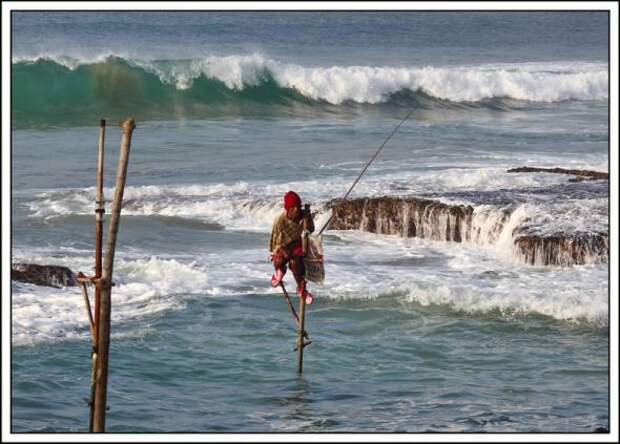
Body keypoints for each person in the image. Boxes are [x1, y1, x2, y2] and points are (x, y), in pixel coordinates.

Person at [269, 191, 315, 304]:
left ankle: (301, 289)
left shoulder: (304, 216)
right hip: (283, 245)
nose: (296, 209)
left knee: (296, 262)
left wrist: (308, 220)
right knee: (279, 259)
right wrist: (284, 252)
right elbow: (276, 244)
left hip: (299, 245)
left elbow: (311, 230)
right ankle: (279, 271)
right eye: (293, 207)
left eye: (298, 206)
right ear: (288, 209)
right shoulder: (280, 221)